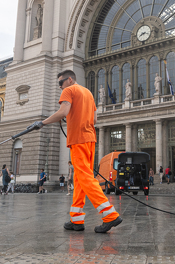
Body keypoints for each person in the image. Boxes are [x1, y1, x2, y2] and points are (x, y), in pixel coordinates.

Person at [31, 70, 122, 233]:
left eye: (61, 83)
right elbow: (94, 120)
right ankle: (76, 219)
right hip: (90, 139)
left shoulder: (69, 90)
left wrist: (42, 123)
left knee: (85, 177)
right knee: (80, 179)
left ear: (70, 79)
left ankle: (110, 216)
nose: (60, 87)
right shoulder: (88, 93)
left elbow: (63, 112)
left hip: (78, 139)